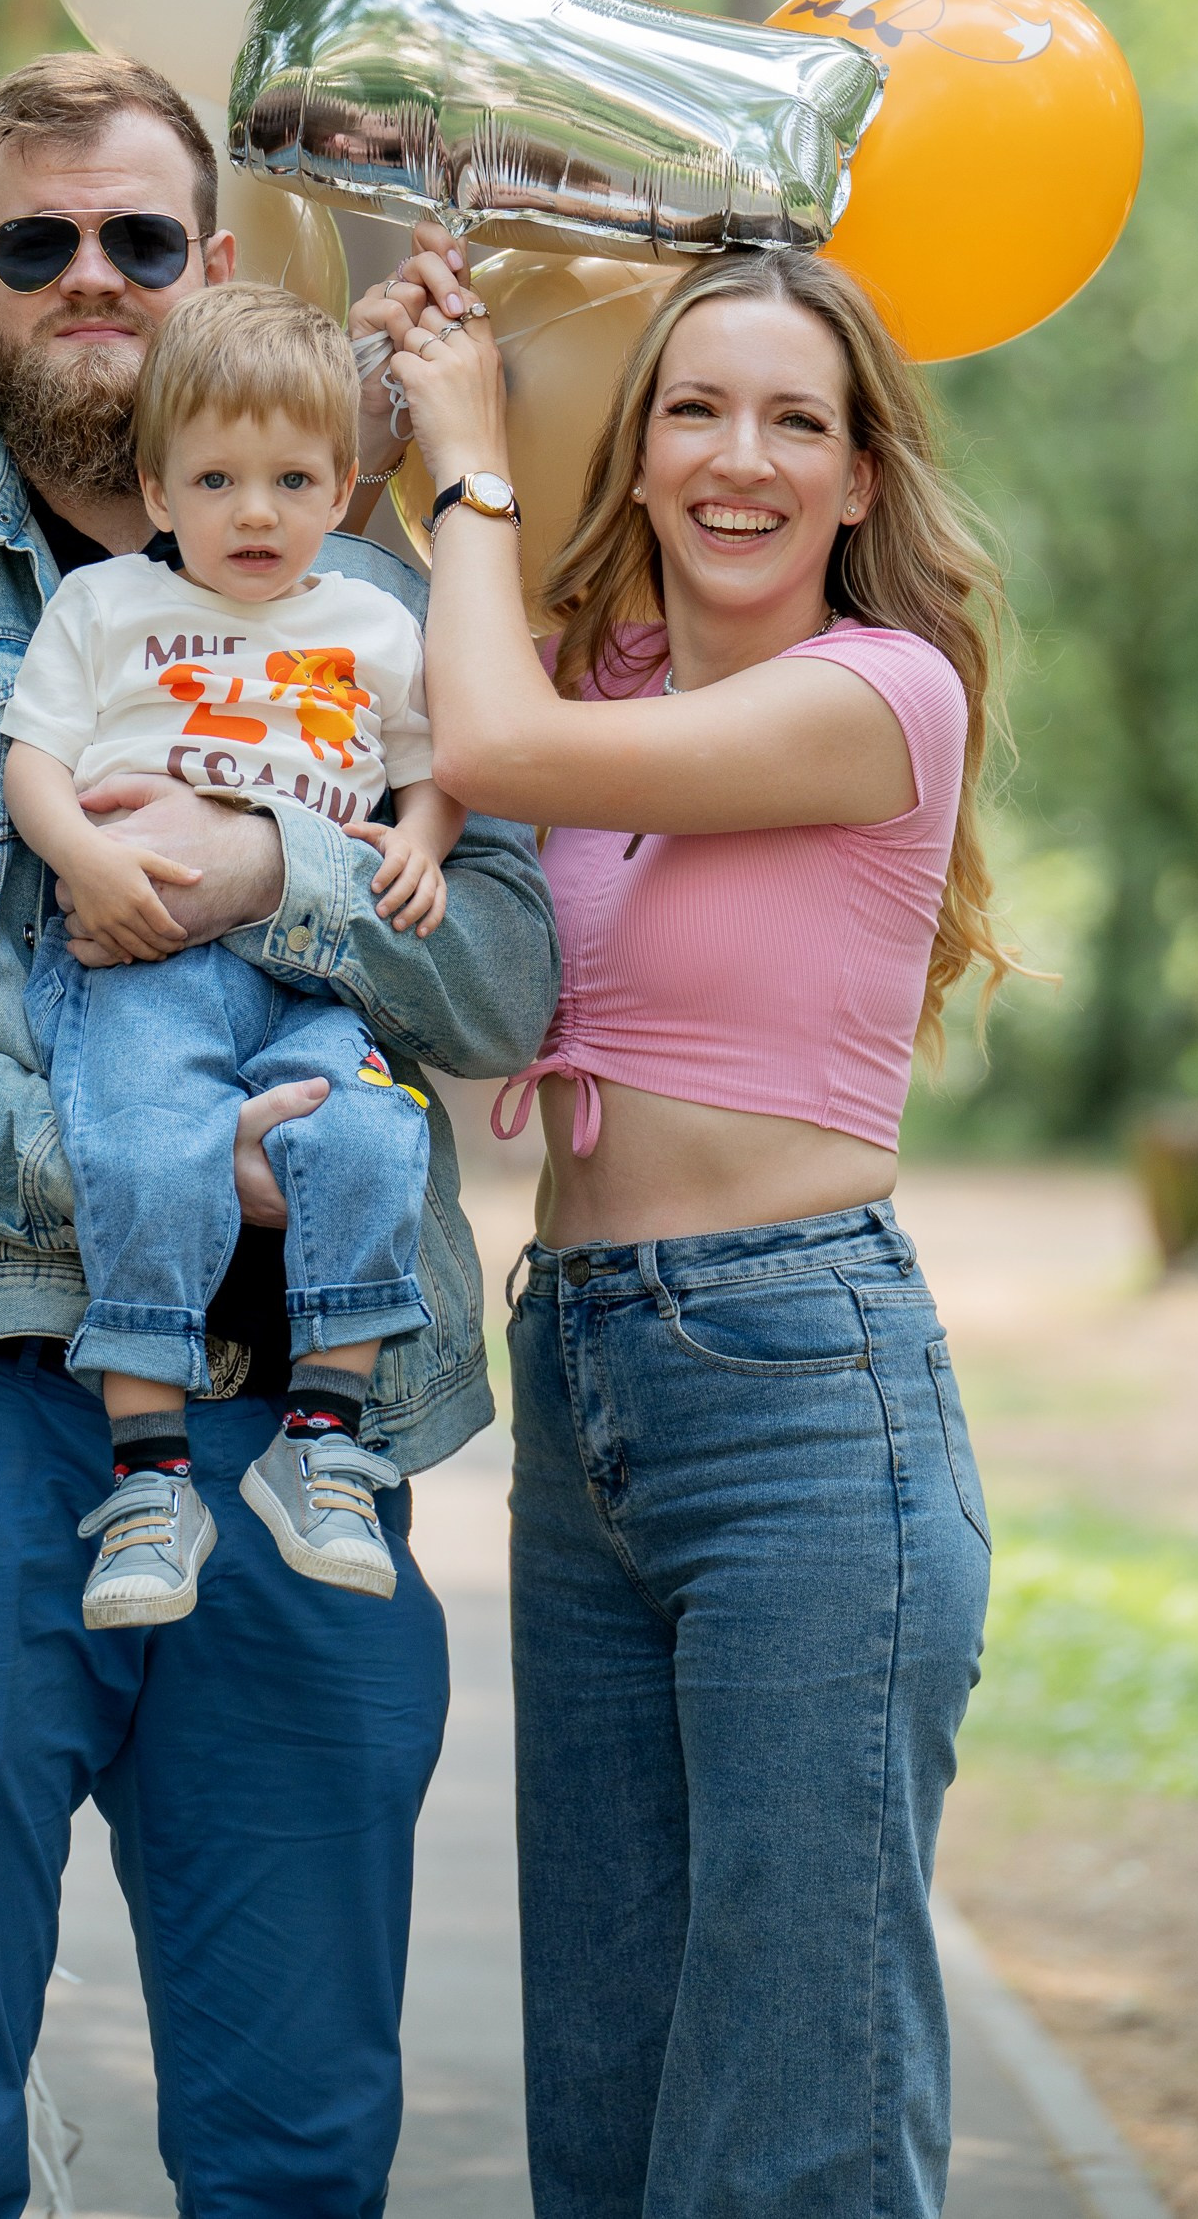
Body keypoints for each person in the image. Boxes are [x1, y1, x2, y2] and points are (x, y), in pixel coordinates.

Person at [0, 53, 557, 2219]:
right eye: (36, 241)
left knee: (298, 2137)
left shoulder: (377, 616)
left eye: (137, 238)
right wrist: (142, 1176)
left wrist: (276, 869)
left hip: (297, 1438)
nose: (88, 277)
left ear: (212, 268)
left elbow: (510, 976)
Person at [382, 242, 1007, 2219]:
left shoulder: (881, 694)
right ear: (637, 454)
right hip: (580, 1379)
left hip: (799, 1394)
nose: (743, 457)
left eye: (796, 421)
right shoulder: (610, 677)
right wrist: (430, 351)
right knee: (613, 2053)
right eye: (694, 410)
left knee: (797, 2080)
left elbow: (485, 740)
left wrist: (473, 456)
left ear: (858, 480)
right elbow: (427, 650)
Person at [2, 280, 465, 1623]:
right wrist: (82, 858)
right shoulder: (105, 610)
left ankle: (320, 1440)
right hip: (141, 963)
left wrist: (421, 841)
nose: (253, 511)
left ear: (338, 489)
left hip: (316, 973)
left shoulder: (375, 626)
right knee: (144, 1153)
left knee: (377, 1137)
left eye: (291, 478)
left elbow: (431, 773)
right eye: (214, 479)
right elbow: (34, 758)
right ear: (157, 491)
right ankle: (147, 1477)